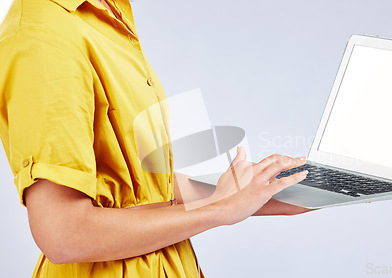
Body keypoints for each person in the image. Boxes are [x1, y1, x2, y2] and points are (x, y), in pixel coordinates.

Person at [0, 0, 312, 277]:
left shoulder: (107, 11)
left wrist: (265, 191)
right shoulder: (43, 35)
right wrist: (219, 209)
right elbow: (63, 235)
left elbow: (138, 185)